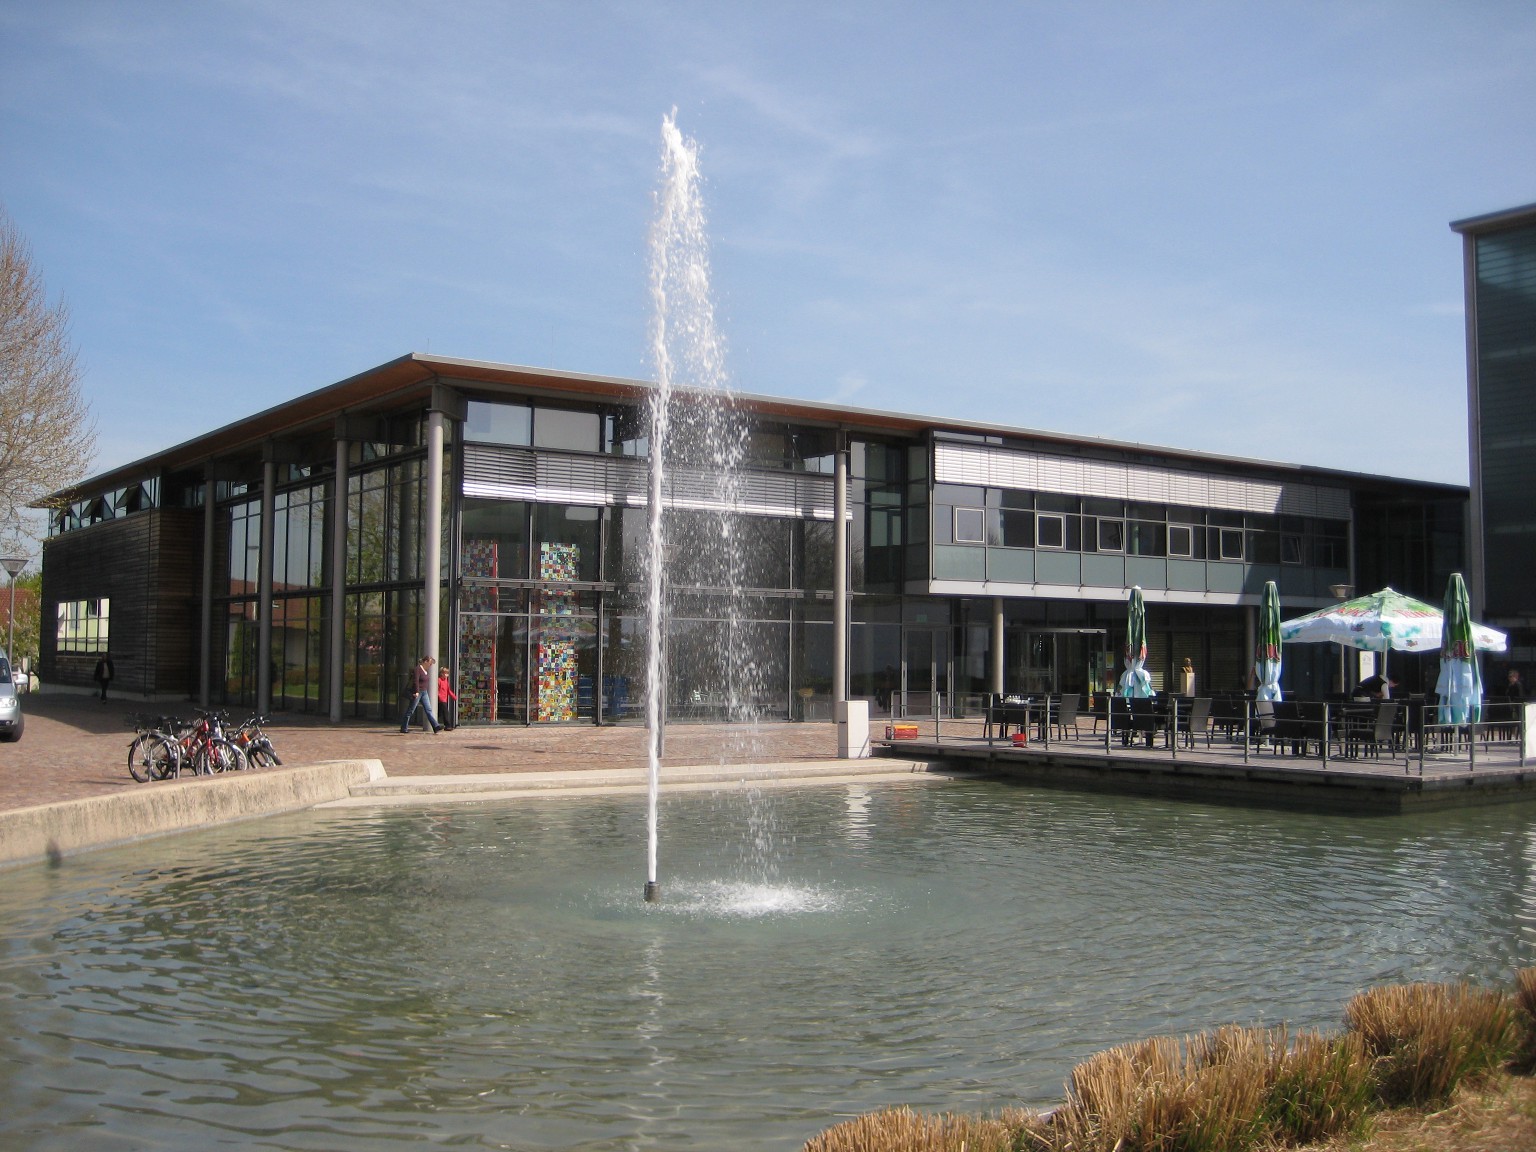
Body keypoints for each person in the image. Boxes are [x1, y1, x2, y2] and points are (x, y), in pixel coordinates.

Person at [400, 655, 442, 734]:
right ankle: (404, 727)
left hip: (424, 692)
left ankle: (435, 726)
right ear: (425, 661)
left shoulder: (425, 670)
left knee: (428, 710)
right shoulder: (418, 669)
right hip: (418, 692)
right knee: (411, 710)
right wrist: (416, 691)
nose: (430, 665)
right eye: (430, 663)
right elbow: (415, 681)